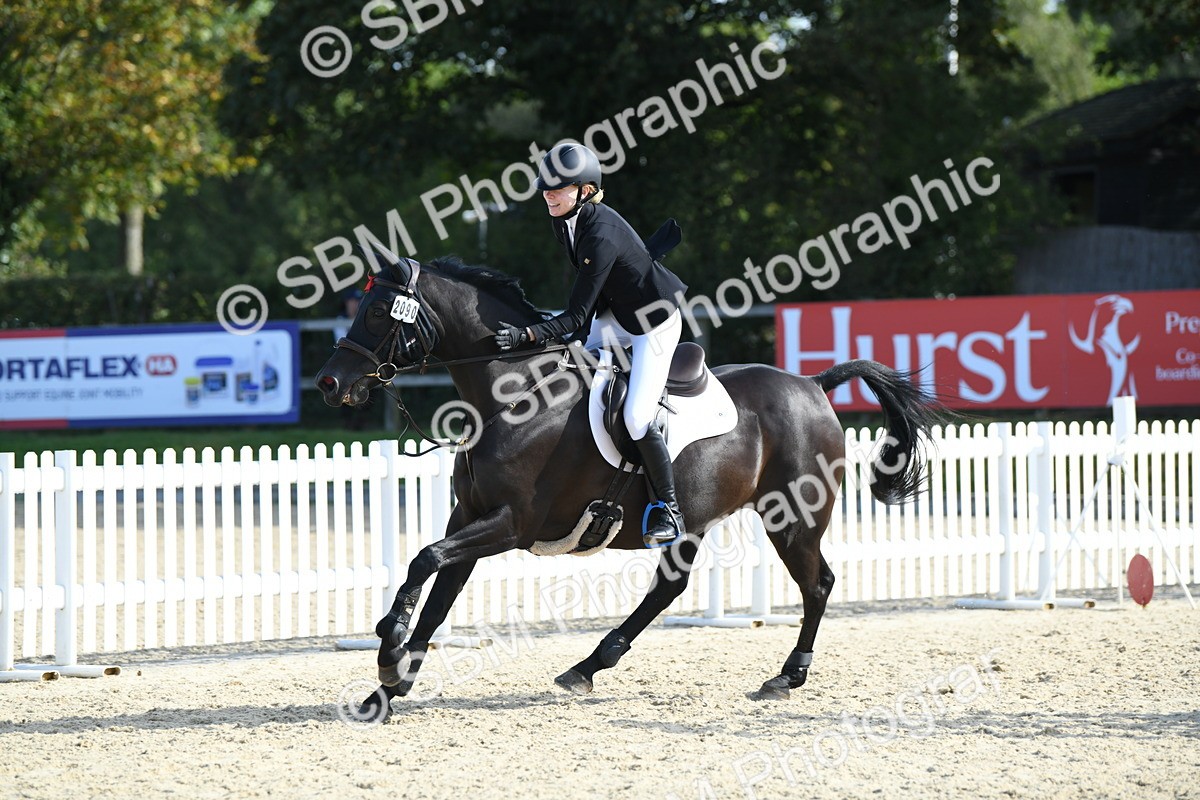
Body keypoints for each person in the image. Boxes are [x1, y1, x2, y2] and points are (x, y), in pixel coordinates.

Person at [493, 143, 689, 547]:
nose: (548, 195)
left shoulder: (599, 234)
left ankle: (669, 509)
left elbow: (575, 317)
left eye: (558, 188)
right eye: (545, 188)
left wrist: (526, 335)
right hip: (616, 313)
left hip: (653, 324)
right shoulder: (565, 219)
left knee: (636, 416)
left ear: (584, 191)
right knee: (566, 367)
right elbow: (582, 317)